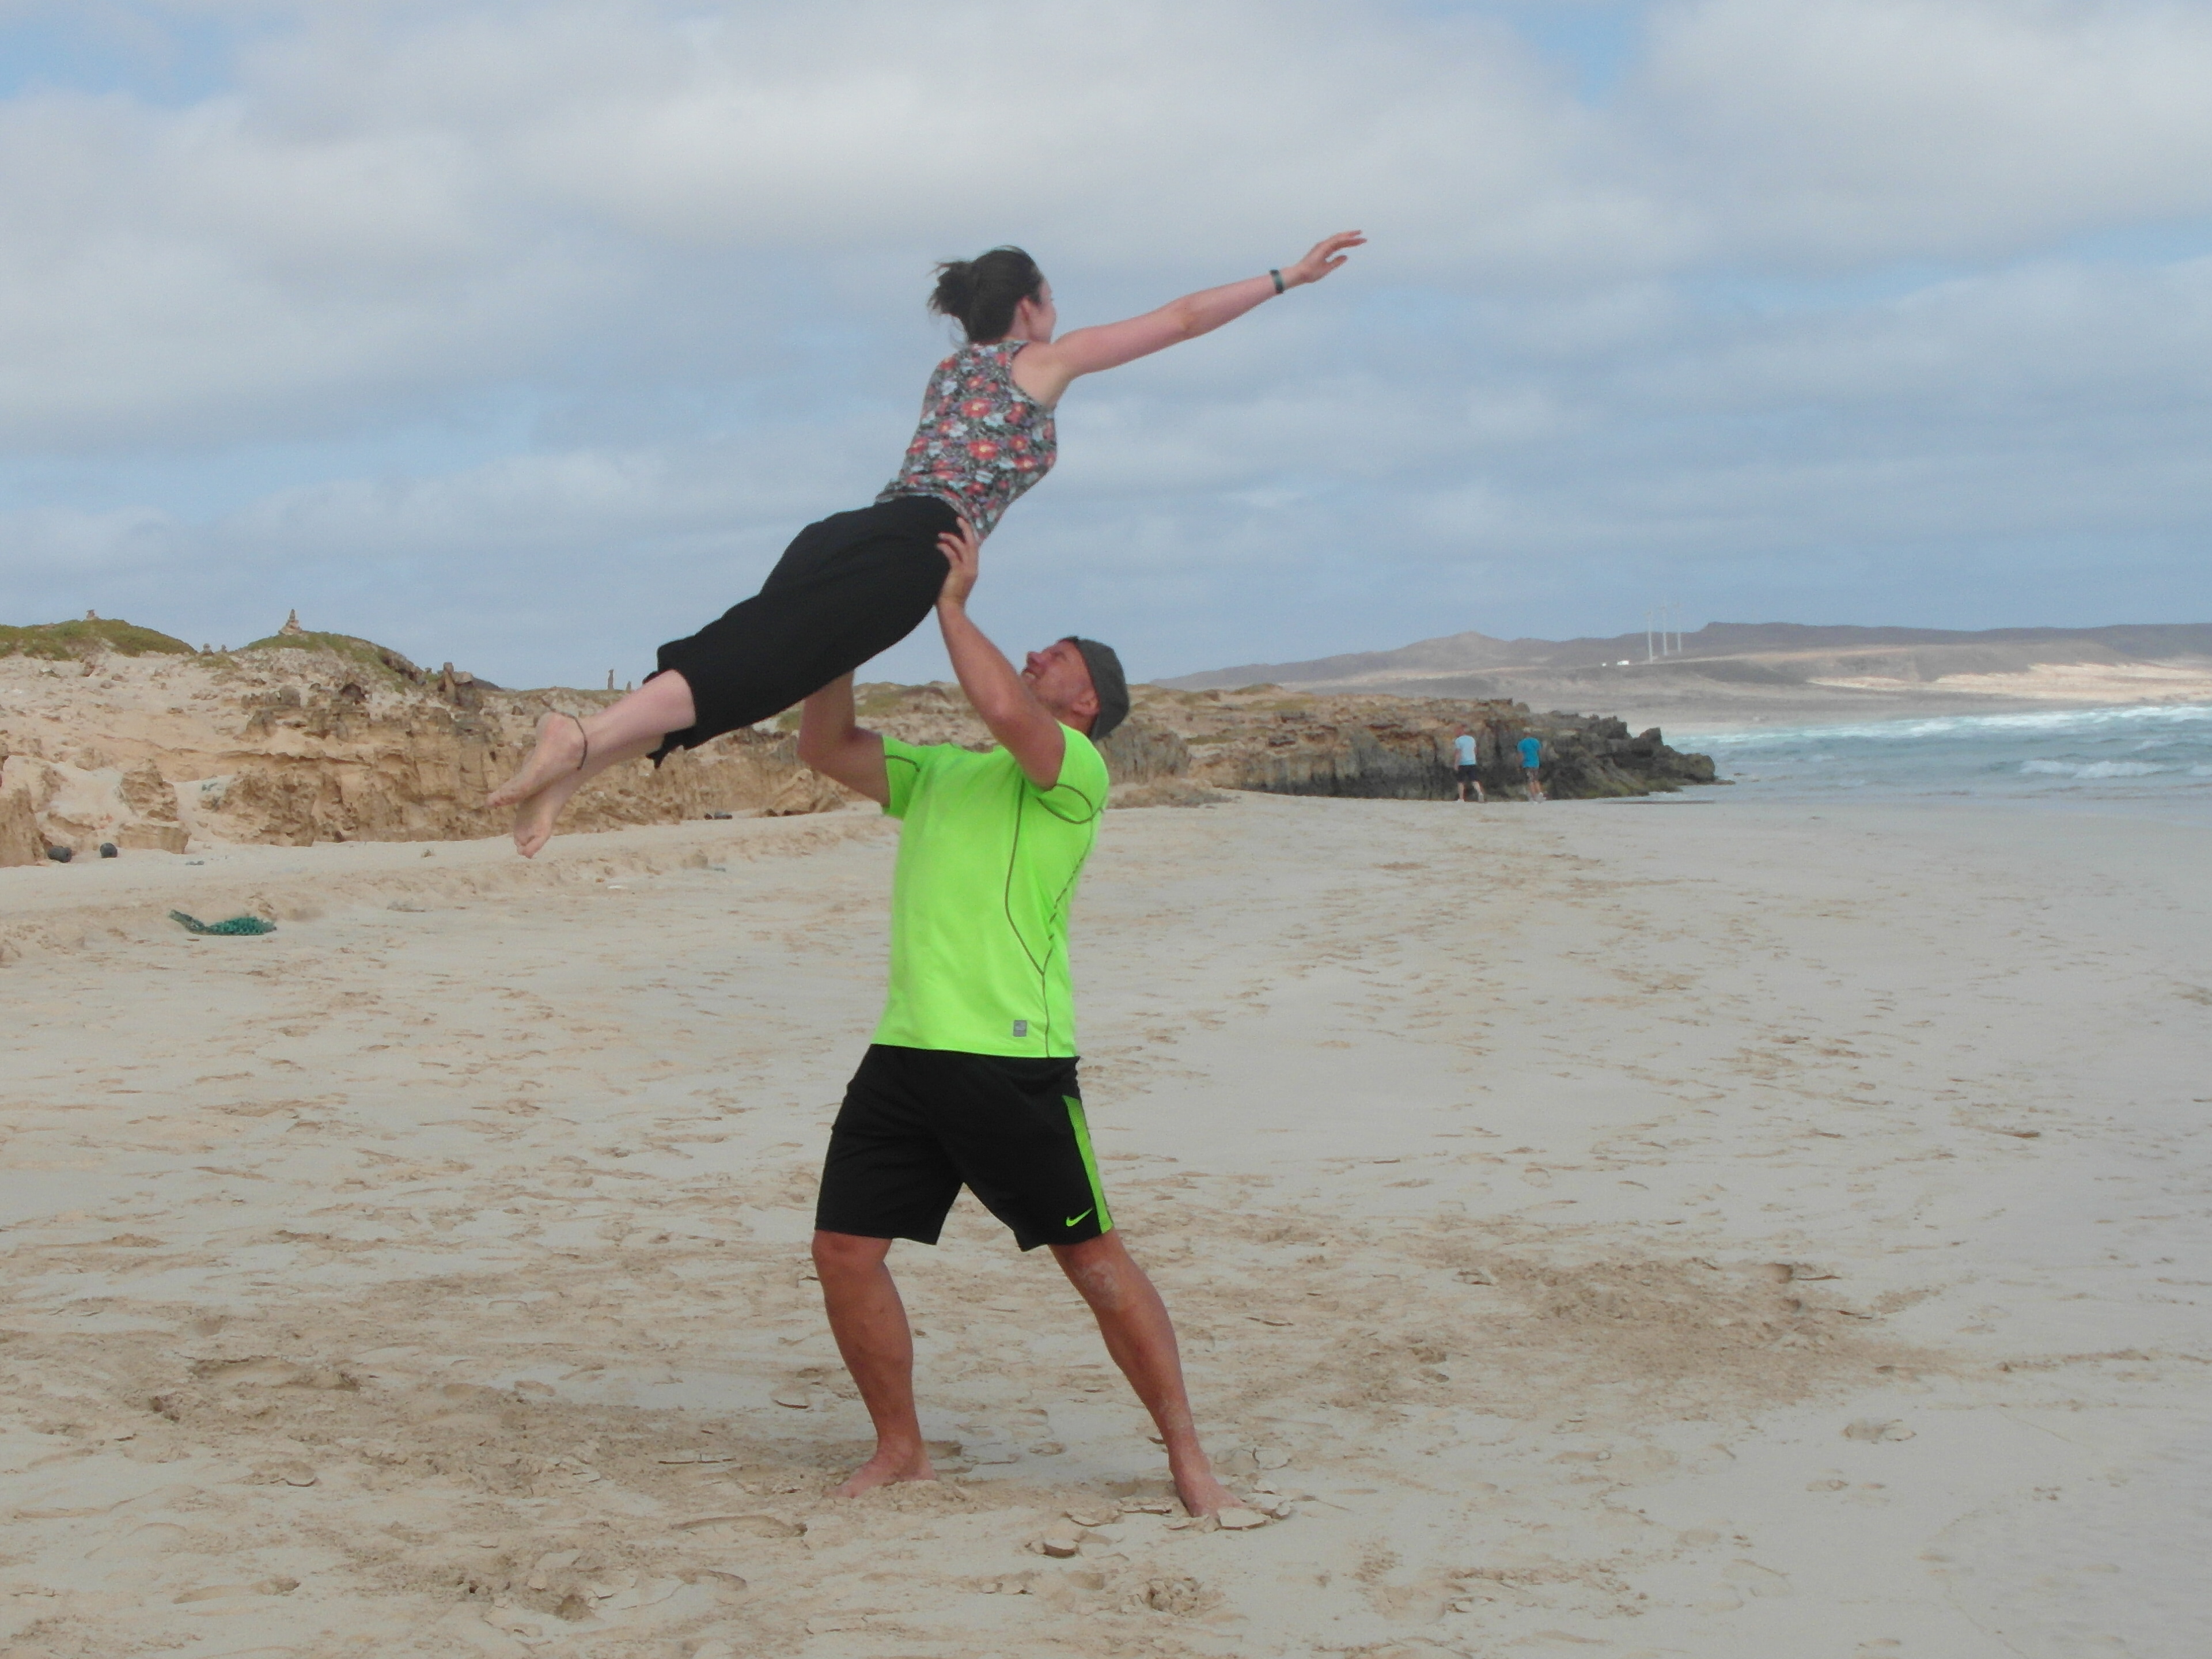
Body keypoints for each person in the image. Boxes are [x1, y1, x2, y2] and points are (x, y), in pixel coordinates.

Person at [486, 231, 1367, 857]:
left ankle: (576, 769)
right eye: (1052, 301)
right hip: (914, 548)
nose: (1059, 315)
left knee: (754, 667)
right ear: (1028, 307)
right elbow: (1179, 319)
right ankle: (579, 734)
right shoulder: (1038, 361)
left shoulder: (950, 372)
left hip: (845, 533)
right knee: (747, 666)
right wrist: (1286, 277)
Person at [792, 519, 1238, 1518]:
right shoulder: (943, 775)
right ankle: (902, 1449)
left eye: (1057, 654)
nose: (1037, 654)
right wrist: (841, 639)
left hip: (1011, 1062)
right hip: (906, 1052)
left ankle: (1189, 1460)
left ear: (1087, 701)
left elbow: (1000, 704)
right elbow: (824, 746)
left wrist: (950, 602)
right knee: (844, 1253)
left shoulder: (1074, 771)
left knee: (1092, 1261)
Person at [1453, 725, 1484, 803]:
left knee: (1461, 781)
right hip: (1472, 762)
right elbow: (1475, 750)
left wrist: (1456, 764)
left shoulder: (1458, 740)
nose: (1455, 733)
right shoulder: (1471, 739)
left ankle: (1461, 799)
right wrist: (1473, 758)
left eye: (1456, 731)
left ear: (1460, 731)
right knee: (1474, 780)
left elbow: (1458, 753)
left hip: (1463, 763)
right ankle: (1480, 793)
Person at [1517, 733, 1546, 801]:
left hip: (1527, 764)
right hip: (1536, 763)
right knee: (1536, 779)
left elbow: (1521, 755)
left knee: (1530, 781)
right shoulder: (1536, 741)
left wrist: (1519, 764)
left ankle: (1534, 797)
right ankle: (1540, 793)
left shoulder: (1521, 743)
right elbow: (1540, 752)